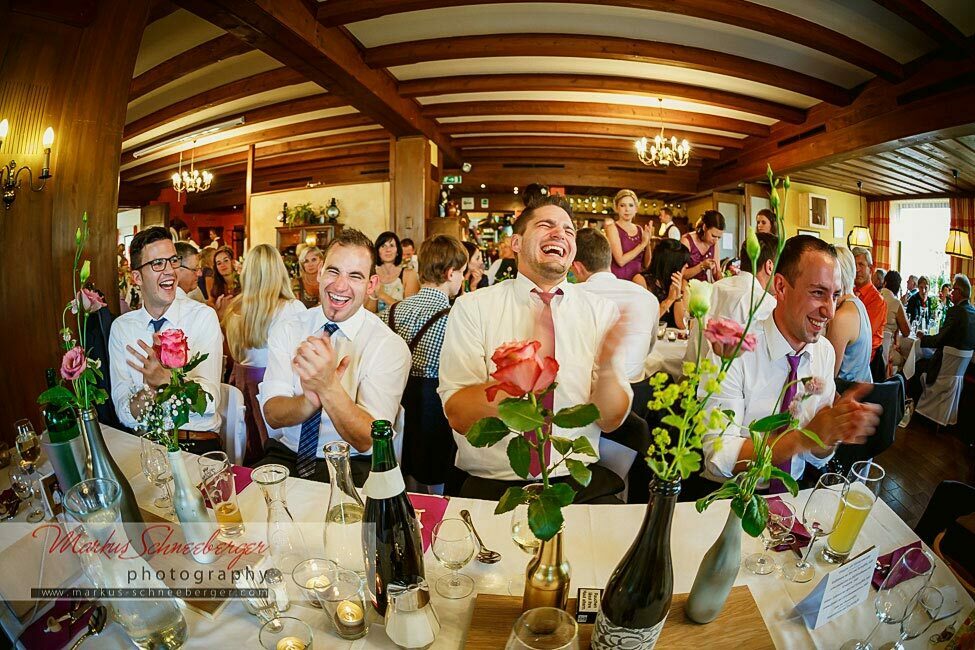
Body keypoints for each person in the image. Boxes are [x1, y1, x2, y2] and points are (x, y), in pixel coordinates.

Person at [439, 195, 632, 503]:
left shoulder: (601, 312)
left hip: (575, 480)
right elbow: (459, 415)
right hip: (493, 484)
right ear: (516, 242)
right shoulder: (472, 307)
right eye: (546, 225)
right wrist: (522, 379)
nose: (561, 234)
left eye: (569, 231)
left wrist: (607, 370)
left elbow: (611, 420)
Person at [703, 235, 881, 485]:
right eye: (818, 293)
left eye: (835, 296)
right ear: (781, 287)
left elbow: (816, 458)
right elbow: (719, 456)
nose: (830, 311)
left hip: (792, 492)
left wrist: (830, 434)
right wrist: (801, 438)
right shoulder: (736, 349)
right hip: (731, 493)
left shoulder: (824, 352)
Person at [258, 229, 411, 485]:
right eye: (333, 271)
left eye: (355, 276)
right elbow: (272, 414)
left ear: (371, 285)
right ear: (319, 273)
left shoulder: (388, 346)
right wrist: (309, 400)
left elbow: (366, 440)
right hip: (286, 455)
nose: (340, 286)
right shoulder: (289, 328)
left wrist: (328, 387)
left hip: (353, 464)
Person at [109, 227, 224, 455]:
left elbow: (210, 404)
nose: (170, 271)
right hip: (145, 445)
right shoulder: (122, 328)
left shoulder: (202, 317)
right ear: (137, 277)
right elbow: (124, 413)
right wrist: (150, 389)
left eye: (172, 261)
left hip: (196, 442)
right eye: (157, 264)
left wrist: (166, 381)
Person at [572, 228, 658, 503]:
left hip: (586, 405)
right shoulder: (646, 297)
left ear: (576, 266)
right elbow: (650, 349)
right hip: (638, 405)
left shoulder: (572, 296)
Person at [384, 235, 468, 493]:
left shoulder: (395, 310)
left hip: (398, 401)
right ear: (450, 273)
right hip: (434, 406)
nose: (463, 279)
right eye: (462, 273)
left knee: (405, 473)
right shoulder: (454, 316)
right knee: (435, 482)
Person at [223, 244, 306, 464]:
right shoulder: (291, 308)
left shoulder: (234, 308)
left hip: (240, 387)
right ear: (279, 271)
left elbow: (234, 353)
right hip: (272, 391)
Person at [685, 233, 778, 367]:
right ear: (770, 266)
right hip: (726, 383)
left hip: (692, 376)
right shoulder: (765, 303)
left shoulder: (715, 287)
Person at [907, 274, 975, 402]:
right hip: (959, 373)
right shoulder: (973, 312)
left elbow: (938, 340)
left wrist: (923, 337)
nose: (950, 293)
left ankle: (913, 406)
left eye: (953, 289)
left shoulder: (956, 311)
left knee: (916, 365)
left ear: (959, 292)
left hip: (942, 369)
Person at [826, 247, 872, 383]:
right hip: (862, 389)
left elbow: (829, 372)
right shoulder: (857, 304)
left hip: (847, 396)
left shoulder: (843, 317)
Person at [635, 239, 689, 328]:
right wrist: (669, 300)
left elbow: (683, 325)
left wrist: (678, 296)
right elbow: (644, 322)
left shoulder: (682, 283)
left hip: (674, 339)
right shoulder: (641, 281)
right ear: (671, 264)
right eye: (683, 263)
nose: (687, 266)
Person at [852, 247, 886, 379]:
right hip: (853, 355)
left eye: (861, 265)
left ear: (871, 269)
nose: (857, 269)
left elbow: (864, 334)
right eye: (854, 265)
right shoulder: (850, 293)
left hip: (868, 362)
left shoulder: (877, 300)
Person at [605, 189, 651, 281]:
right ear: (617, 208)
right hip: (620, 279)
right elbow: (620, 261)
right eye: (622, 205)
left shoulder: (640, 229)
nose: (627, 209)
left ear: (636, 209)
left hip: (637, 279)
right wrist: (642, 244)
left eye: (631, 205)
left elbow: (646, 264)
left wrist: (648, 242)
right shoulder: (612, 228)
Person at [371, 231, 419, 315]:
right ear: (377, 252)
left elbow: (410, 311)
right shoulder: (372, 275)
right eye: (383, 246)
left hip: (400, 325)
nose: (388, 250)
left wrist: (381, 295)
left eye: (392, 245)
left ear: (398, 251)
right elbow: (369, 312)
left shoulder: (409, 274)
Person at [681, 210, 724, 282]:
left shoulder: (714, 243)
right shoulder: (686, 241)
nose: (716, 240)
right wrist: (702, 266)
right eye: (713, 236)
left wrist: (722, 279)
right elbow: (681, 274)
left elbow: (716, 272)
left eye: (719, 237)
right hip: (685, 287)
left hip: (703, 287)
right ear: (704, 227)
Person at [208, 245, 239, 316]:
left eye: (226, 260)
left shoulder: (242, 282)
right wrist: (216, 307)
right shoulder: (217, 285)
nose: (222, 265)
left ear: (232, 262)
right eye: (219, 263)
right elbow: (210, 304)